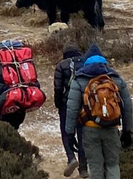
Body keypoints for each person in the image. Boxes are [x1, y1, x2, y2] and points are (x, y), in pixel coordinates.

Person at [65, 44, 133, 179]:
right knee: (113, 165)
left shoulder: (79, 79)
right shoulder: (115, 78)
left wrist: (70, 133)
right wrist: (127, 131)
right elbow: (127, 107)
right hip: (112, 128)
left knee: (96, 166)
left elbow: (72, 109)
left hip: (90, 130)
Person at [54, 43, 88, 177]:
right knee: (82, 136)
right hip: (83, 105)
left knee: (66, 132)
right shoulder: (86, 63)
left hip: (66, 105)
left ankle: (71, 158)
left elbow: (58, 88)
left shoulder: (61, 65)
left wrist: (58, 104)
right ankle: (84, 169)